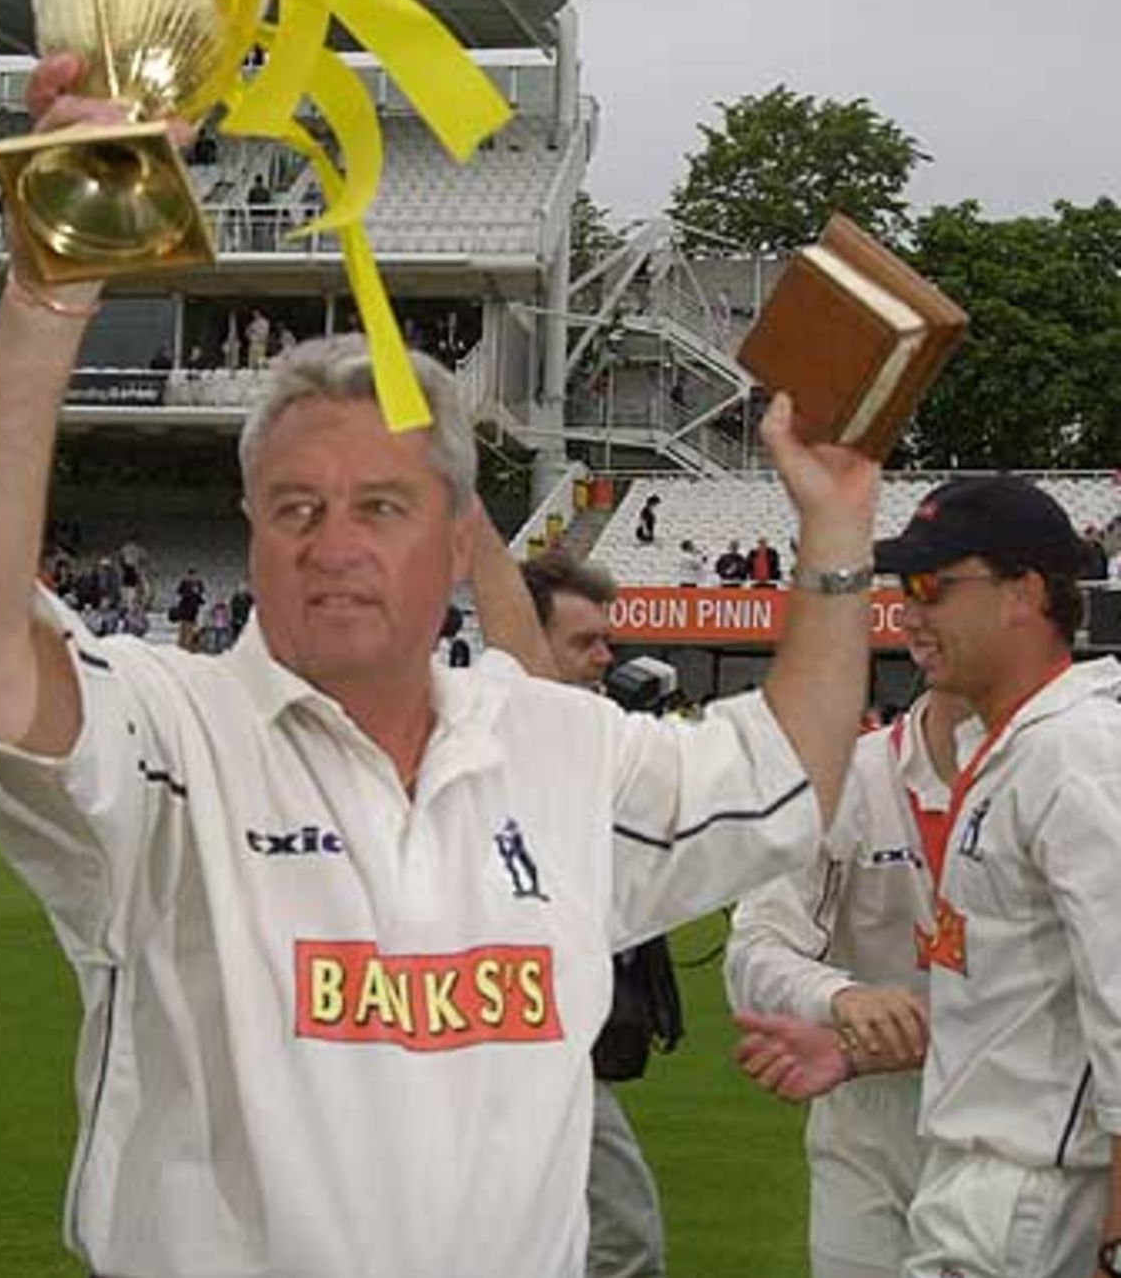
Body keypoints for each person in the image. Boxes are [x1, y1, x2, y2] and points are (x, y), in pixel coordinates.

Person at [0, 49, 881, 1278]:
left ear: (461, 541)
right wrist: (49, 293)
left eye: (380, 506)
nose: (334, 545)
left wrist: (834, 535)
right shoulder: (168, 731)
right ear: (250, 527)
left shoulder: (556, 745)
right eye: (294, 507)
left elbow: (784, 775)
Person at [732, 476, 1121, 1278]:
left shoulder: (1073, 749)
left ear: (1025, 593)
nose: (907, 610)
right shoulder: (1021, 748)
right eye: (902, 586)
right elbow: (1018, 1005)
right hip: (978, 1172)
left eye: (932, 586)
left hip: (1025, 1186)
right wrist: (856, 1045)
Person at [726, 676, 981, 1278]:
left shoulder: (1075, 771)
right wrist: (839, 996)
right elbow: (754, 949)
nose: (927, 619)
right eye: (922, 593)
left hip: (1015, 1130)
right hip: (866, 1132)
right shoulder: (849, 778)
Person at [471, 539, 674, 1278]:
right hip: (512, 1051)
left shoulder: (590, 750)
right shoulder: (476, 755)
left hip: (549, 1049)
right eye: (584, 641)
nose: (604, 657)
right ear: (522, 642)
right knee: (625, 1238)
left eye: (607, 640)